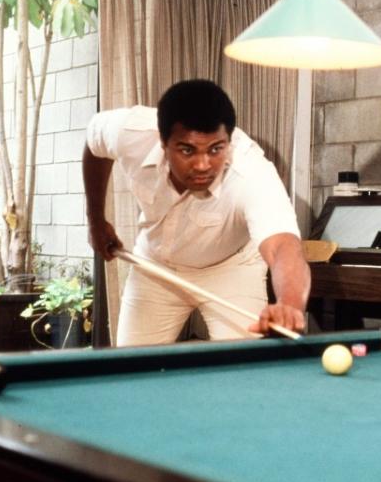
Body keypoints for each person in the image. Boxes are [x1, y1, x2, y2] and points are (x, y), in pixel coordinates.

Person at [83, 79, 310, 346]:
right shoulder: (129, 131)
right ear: (163, 141)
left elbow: (284, 246)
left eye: (216, 149)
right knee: (131, 371)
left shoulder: (252, 172)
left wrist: (290, 305)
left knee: (246, 372)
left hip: (231, 268)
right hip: (155, 266)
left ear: (228, 140)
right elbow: (93, 145)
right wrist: (95, 220)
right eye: (187, 150)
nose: (203, 165)